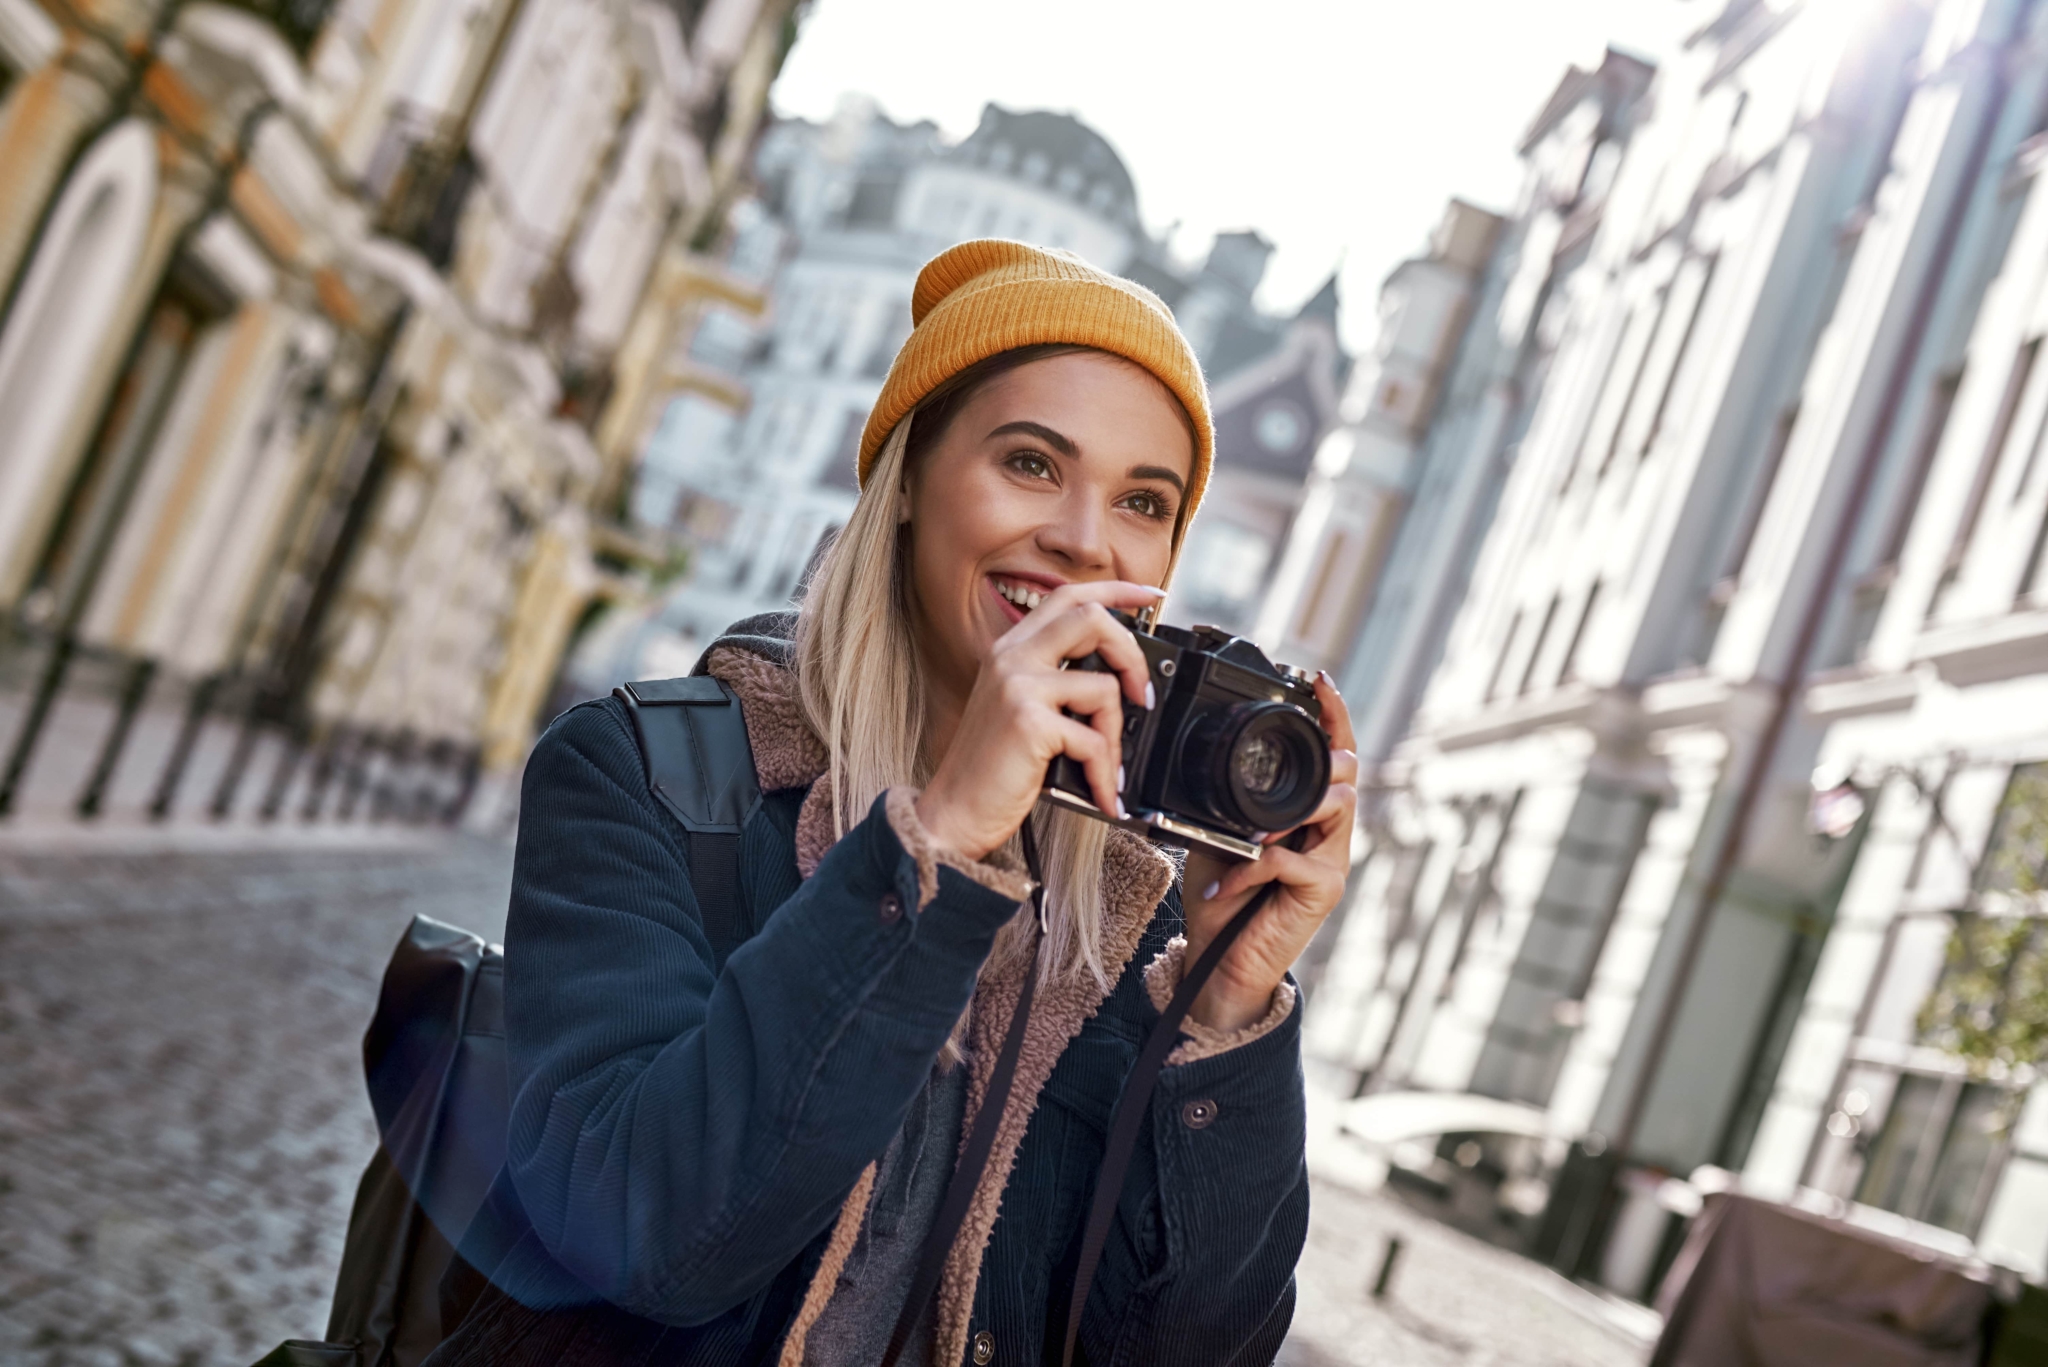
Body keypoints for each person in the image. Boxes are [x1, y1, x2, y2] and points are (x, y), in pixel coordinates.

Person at [424, 240, 1359, 1366]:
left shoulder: (1129, 920)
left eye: (1142, 501)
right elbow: (643, 1236)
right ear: (908, 477)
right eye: (1028, 462)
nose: (1081, 535)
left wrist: (1222, 1009)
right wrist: (937, 846)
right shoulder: (649, 775)